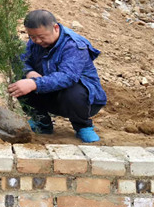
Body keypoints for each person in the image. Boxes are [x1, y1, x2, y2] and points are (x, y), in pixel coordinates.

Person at [8, 9, 107, 143]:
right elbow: (23, 60)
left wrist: (35, 83)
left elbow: (68, 77)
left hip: (85, 101)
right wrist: (29, 72)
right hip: (52, 93)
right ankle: (41, 123)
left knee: (73, 91)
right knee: (20, 82)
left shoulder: (74, 45)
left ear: (55, 28)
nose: (37, 41)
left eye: (41, 36)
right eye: (32, 37)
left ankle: (83, 126)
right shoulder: (35, 42)